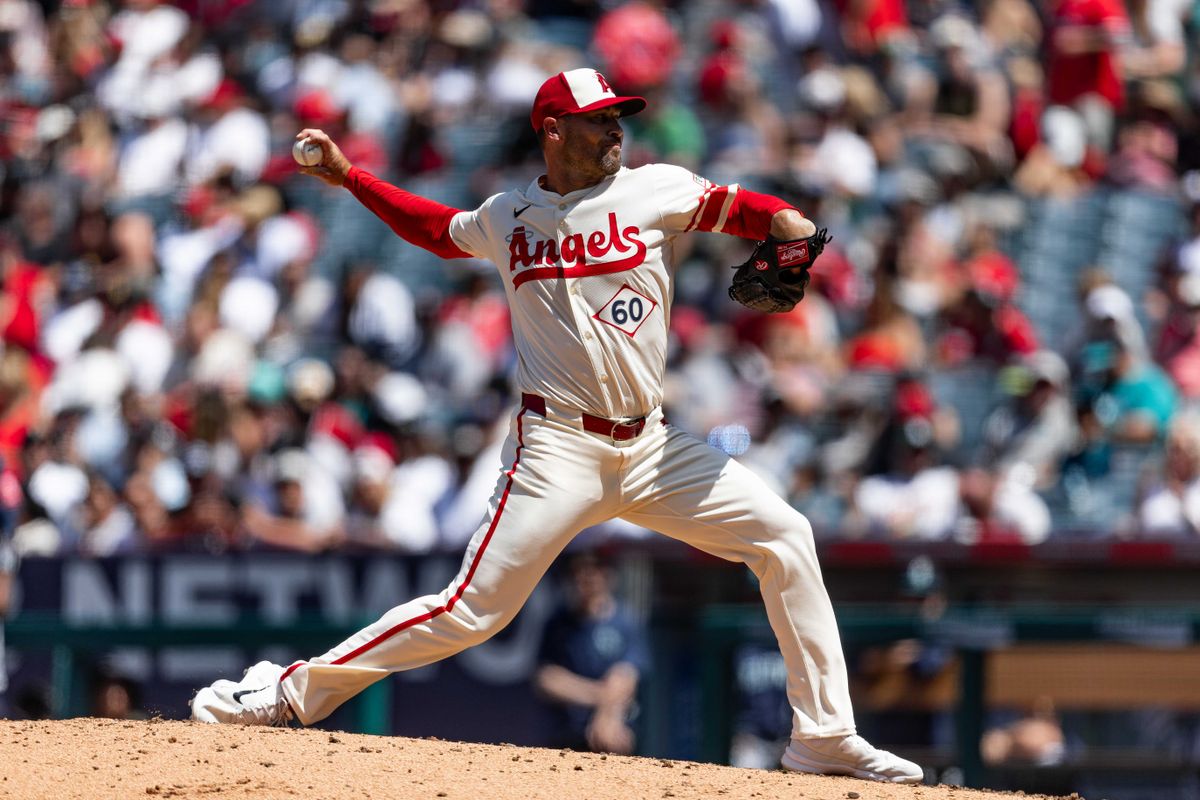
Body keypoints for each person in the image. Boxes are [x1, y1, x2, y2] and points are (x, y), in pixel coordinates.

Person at [189, 68, 924, 784]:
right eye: (600, 117)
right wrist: (351, 177)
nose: (615, 128)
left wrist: (789, 224)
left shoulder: (652, 187)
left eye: (618, 116)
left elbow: (743, 208)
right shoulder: (508, 215)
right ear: (552, 130)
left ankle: (824, 735)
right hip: (558, 448)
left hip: (652, 446)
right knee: (470, 611)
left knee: (785, 533)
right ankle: (288, 690)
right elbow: (437, 230)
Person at [534, 550, 647, 754]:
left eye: (595, 568)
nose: (587, 575)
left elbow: (625, 676)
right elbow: (548, 679)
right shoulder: (558, 623)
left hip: (613, 737)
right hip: (566, 736)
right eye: (579, 569)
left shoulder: (624, 621)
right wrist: (601, 696)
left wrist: (607, 716)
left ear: (608, 574)